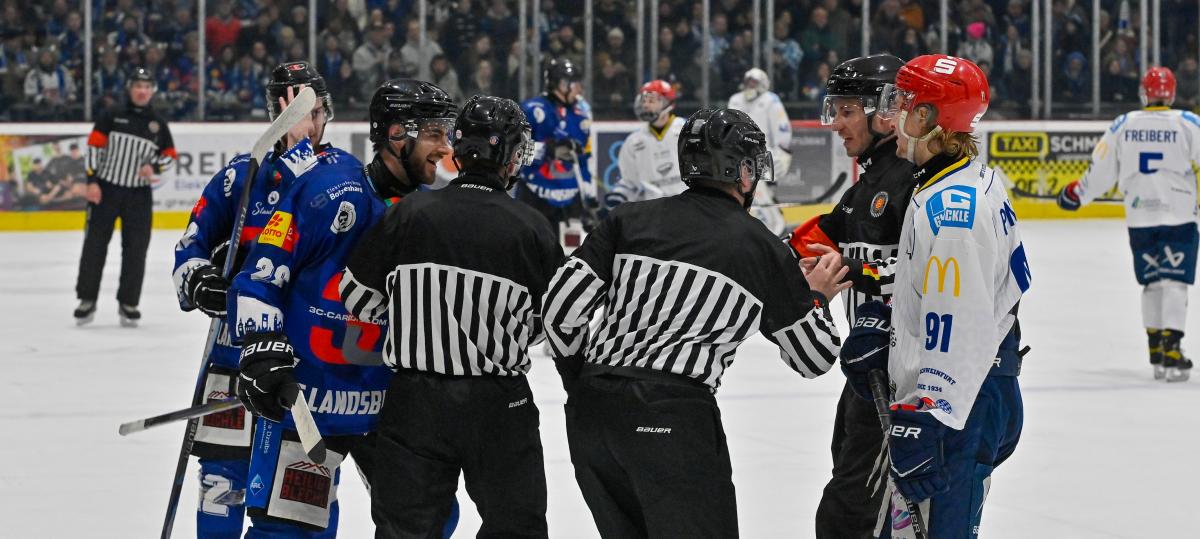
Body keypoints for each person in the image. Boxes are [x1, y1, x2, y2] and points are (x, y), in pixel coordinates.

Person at [542, 107, 849, 537]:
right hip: (674, 416)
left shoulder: (628, 219)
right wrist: (815, 296)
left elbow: (559, 307)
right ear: (744, 173)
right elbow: (814, 357)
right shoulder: (761, 247)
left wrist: (580, 379)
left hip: (593, 416)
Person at [814, 54, 1030, 537]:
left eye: (904, 103)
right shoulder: (955, 181)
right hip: (966, 393)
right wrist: (892, 327)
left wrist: (928, 414)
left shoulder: (953, 212)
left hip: (957, 403)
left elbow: (959, 323)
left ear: (929, 116)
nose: (893, 114)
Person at [339, 95, 558, 537]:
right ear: (508, 156)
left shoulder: (409, 213)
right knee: (516, 528)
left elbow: (356, 298)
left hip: (415, 402)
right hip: (498, 404)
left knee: (405, 530)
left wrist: (414, 312)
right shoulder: (530, 227)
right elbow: (553, 322)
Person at [225, 68, 431, 537]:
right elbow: (255, 271)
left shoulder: (375, 187)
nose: (445, 147)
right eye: (434, 134)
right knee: (289, 527)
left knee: (427, 522)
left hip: (385, 398)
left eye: (316, 111)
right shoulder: (288, 182)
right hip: (309, 392)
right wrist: (259, 343)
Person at [170, 61, 355, 538]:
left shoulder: (344, 176)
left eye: (310, 111)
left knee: (302, 492)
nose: (304, 122)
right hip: (233, 356)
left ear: (325, 113)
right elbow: (190, 244)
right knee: (220, 482)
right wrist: (200, 279)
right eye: (292, 110)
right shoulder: (241, 176)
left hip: (305, 363)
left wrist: (300, 160)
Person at [791, 53, 914, 539]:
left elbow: (926, 275)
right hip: (866, 371)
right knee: (851, 492)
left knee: (850, 515)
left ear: (886, 110)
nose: (836, 124)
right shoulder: (868, 182)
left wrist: (849, 268)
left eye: (847, 111)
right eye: (834, 110)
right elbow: (816, 236)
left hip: (901, 379)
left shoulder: (913, 179)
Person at [1058, 66, 1197, 382]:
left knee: (1152, 282)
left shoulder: (1124, 124)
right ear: (1172, 93)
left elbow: (1101, 171)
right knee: (1174, 282)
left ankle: (1156, 348)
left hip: (1140, 215)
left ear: (1144, 94)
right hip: (1179, 214)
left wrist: (1077, 194)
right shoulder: (1188, 122)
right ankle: (1172, 348)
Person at [74, 67, 176, 327]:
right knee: (94, 246)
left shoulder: (158, 124)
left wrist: (155, 168)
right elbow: (94, 147)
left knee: (136, 250)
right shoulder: (111, 115)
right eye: (138, 86)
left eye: (147, 87)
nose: (142, 91)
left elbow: (170, 158)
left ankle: (129, 303)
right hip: (105, 191)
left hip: (138, 195)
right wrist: (92, 181)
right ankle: (87, 299)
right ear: (130, 89)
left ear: (152, 91)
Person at [518, 57, 595, 246]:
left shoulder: (580, 115)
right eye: (576, 84)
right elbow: (516, 153)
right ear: (562, 84)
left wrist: (588, 197)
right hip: (535, 196)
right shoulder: (532, 110)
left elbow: (583, 160)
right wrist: (548, 150)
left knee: (571, 255)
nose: (580, 89)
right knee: (529, 250)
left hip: (570, 200)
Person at [603, 79, 685, 212]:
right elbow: (629, 182)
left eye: (651, 101)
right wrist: (618, 195)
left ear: (667, 103)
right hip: (654, 213)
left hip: (687, 208)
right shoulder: (634, 142)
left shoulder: (686, 131)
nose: (646, 105)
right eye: (644, 101)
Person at [727, 67, 789, 235]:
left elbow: (782, 130)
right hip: (740, 157)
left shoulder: (771, 100)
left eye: (754, 82)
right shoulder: (735, 100)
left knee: (762, 194)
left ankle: (775, 229)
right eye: (748, 82)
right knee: (748, 196)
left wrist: (782, 154)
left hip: (764, 156)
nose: (750, 85)